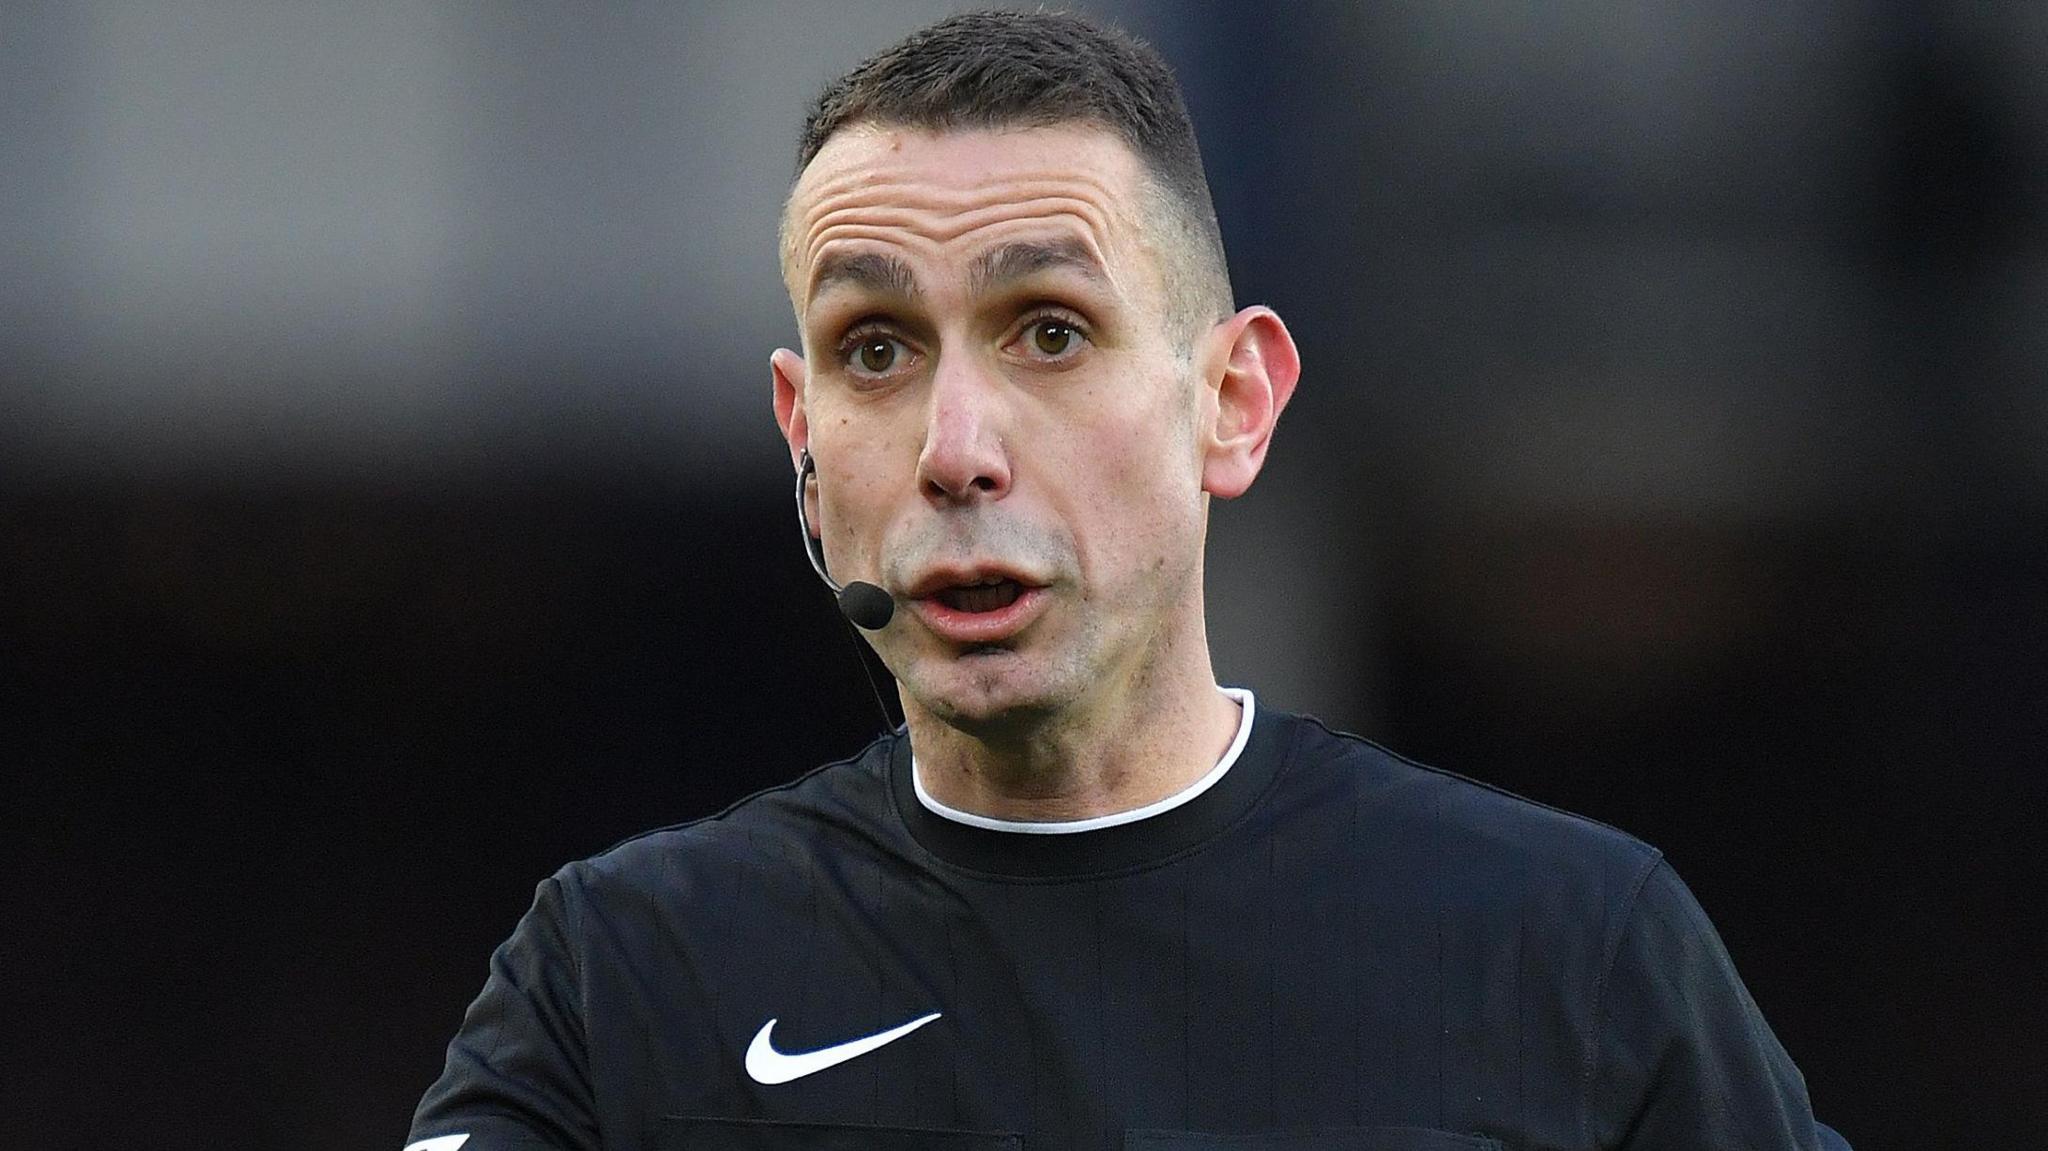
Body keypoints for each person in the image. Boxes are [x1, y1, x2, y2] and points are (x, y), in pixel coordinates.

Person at [406, 11, 1850, 1150]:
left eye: (1048, 332)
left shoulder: (1568, 955)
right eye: (876, 350)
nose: (956, 451)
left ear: (1233, 401)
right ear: (802, 437)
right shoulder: (625, 979)